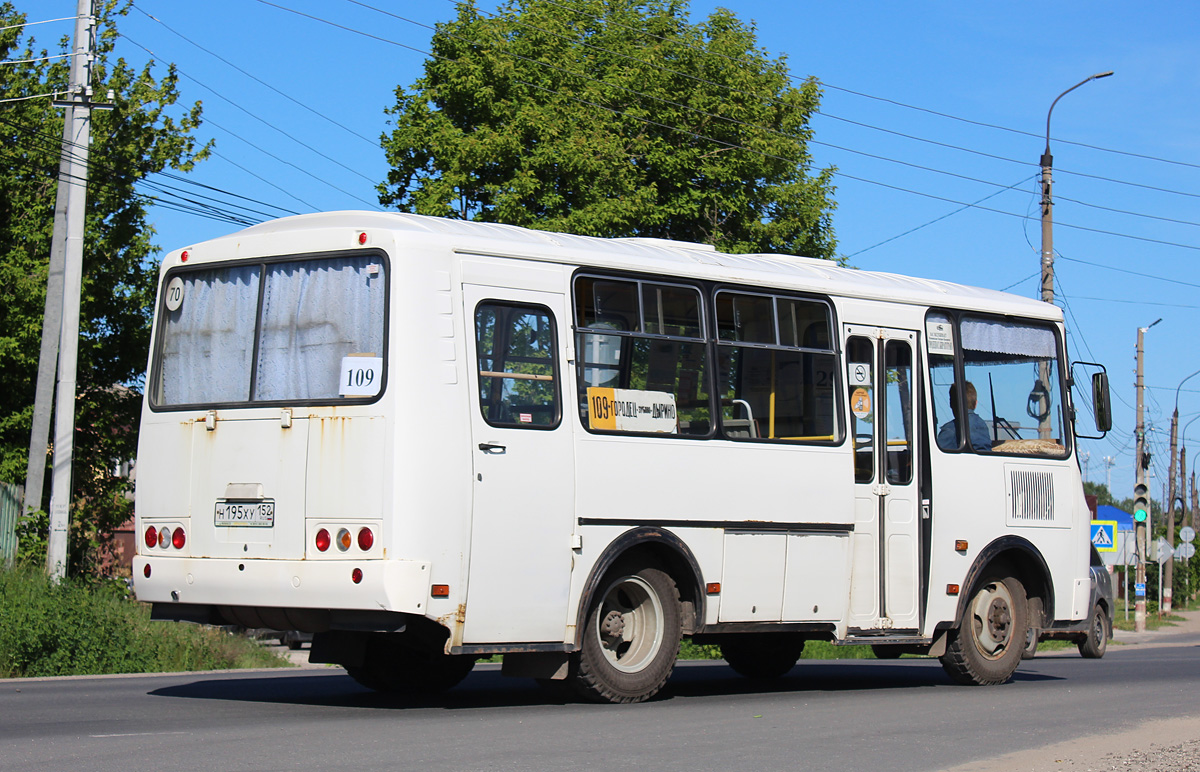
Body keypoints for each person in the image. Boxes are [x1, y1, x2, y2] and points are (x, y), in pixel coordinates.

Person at [937, 381, 992, 450]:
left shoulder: (950, 429)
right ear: (976, 404)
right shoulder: (982, 425)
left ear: (951, 404)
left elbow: (936, 456)